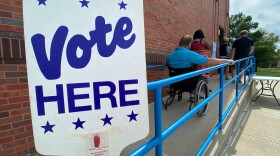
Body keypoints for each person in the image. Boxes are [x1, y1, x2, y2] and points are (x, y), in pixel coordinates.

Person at [167, 35, 235, 101]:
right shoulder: (190, 54)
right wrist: (227, 60)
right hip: (188, 83)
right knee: (200, 76)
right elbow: (208, 61)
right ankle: (195, 95)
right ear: (189, 44)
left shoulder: (170, 55)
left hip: (174, 83)